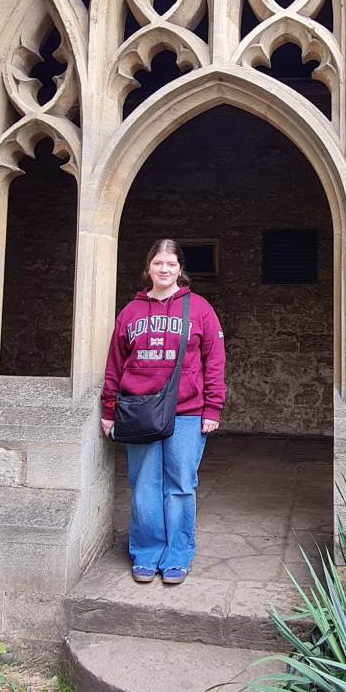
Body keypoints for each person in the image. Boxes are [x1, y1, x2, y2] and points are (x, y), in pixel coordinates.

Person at [101, 238, 227, 585]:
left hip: (186, 411)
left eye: (171, 264)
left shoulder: (199, 309)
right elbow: (115, 363)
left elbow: (214, 362)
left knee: (181, 485)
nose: (164, 269)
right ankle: (146, 552)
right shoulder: (131, 312)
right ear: (149, 267)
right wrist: (109, 408)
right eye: (158, 263)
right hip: (139, 410)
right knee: (144, 486)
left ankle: (177, 555)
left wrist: (212, 407)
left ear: (180, 269)